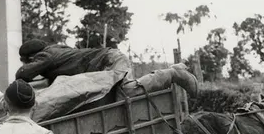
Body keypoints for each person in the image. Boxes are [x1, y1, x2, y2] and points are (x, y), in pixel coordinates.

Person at [17, 38, 198, 97]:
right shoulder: (57, 52)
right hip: (106, 63)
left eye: (26, 61)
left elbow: (22, 74)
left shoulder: (46, 56)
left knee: (126, 91)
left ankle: (173, 73)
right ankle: (175, 69)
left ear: (32, 58)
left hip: (109, 62)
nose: (28, 65)